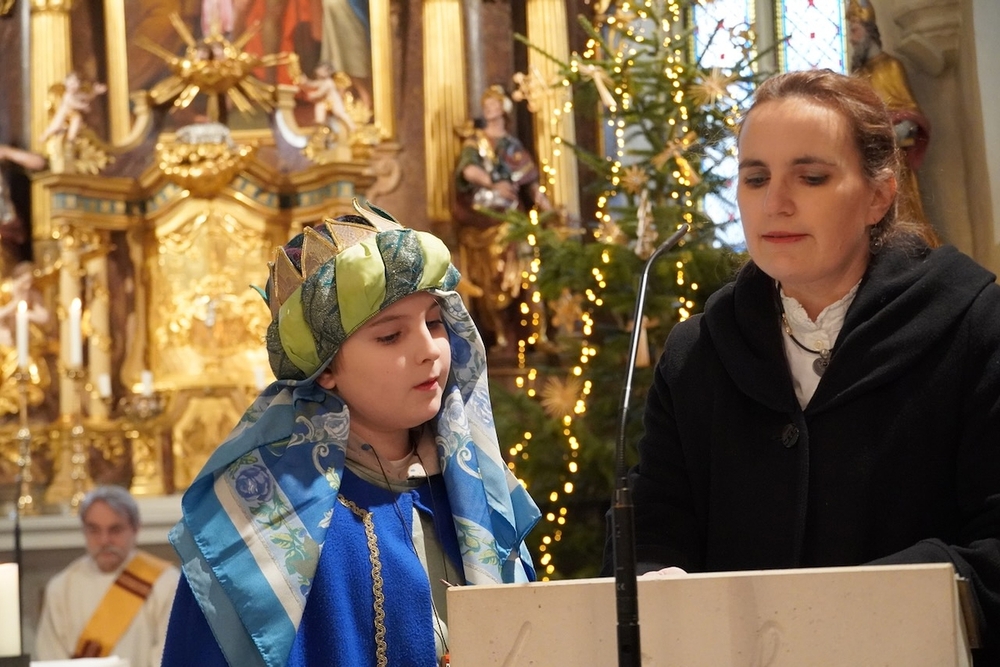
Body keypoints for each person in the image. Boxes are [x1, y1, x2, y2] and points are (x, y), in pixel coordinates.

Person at [602, 69, 1000, 664]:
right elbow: (650, 533)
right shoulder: (698, 353)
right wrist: (654, 578)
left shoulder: (975, 325)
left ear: (878, 196)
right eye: (755, 177)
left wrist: (846, 606)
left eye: (810, 177)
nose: (775, 203)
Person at [161, 200, 540, 666]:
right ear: (325, 370)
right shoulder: (261, 516)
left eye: (434, 322)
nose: (430, 350)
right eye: (390, 336)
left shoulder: (473, 488)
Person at [34, 486, 180, 667]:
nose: (104, 540)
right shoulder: (61, 588)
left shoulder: (166, 583)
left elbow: (170, 657)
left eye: (115, 530)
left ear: (135, 529)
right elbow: (51, 657)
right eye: (94, 530)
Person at [453, 85, 550, 355]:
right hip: (485, 219)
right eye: (486, 104)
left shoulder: (512, 145)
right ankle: (498, 334)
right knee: (491, 276)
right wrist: (494, 184)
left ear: (504, 108)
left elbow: (531, 183)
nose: (489, 108)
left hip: (513, 219)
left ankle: (534, 332)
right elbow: (468, 170)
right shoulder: (476, 142)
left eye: (494, 104)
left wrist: (547, 206)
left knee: (527, 271)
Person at [847, 0, 939, 246]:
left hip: (895, 162)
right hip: (867, 166)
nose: (852, 40)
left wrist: (886, 135)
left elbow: (911, 119)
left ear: (869, 31)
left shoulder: (891, 67)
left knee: (905, 221)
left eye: (855, 31)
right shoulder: (857, 77)